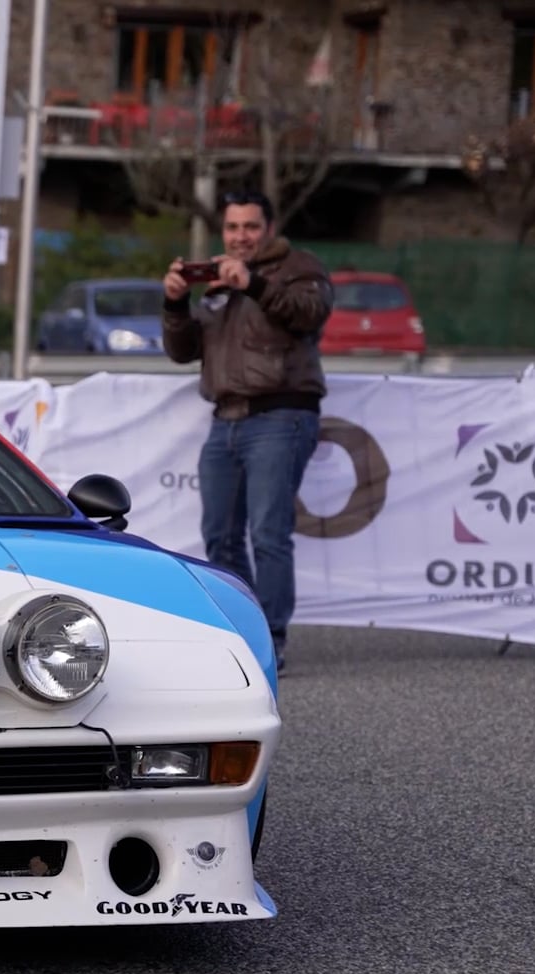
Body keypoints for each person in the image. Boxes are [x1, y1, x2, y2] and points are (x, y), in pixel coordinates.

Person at [161, 191, 332, 673]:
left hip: (281, 416)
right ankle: (240, 631)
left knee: (269, 535)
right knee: (219, 537)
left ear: (270, 227)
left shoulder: (301, 266)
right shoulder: (217, 280)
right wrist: (174, 303)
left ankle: (272, 641)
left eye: (251, 227)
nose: (241, 237)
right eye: (233, 228)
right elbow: (182, 350)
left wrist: (253, 283)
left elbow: (309, 314)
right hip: (225, 421)